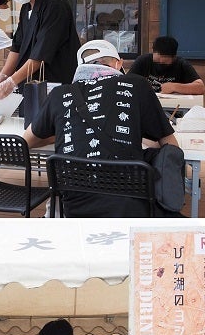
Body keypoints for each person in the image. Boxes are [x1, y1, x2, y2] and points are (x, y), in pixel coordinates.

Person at [22, 39, 178, 217]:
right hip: (129, 206)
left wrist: (63, 132)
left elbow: (26, 141)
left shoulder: (59, 93)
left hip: (74, 207)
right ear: (118, 64)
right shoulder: (138, 84)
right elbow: (171, 146)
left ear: (80, 68)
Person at [129, 36, 205, 95]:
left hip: (173, 106)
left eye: (164, 60)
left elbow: (200, 87)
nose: (161, 61)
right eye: (158, 59)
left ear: (174, 57)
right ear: (153, 51)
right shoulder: (143, 61)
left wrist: (174, 87)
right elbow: (127, 81)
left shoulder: (181, 64)